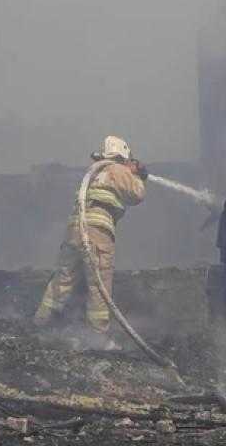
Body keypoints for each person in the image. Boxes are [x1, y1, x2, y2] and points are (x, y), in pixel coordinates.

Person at [33, 135, 147, 348]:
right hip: (96, 233)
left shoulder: (94, 170)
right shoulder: (116, 170)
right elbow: (137, 194)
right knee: (99, 284)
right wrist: (140, 176)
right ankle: (98, 337)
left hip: (75, 230)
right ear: (123, 155)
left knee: (63, 279)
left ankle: (40, 323)